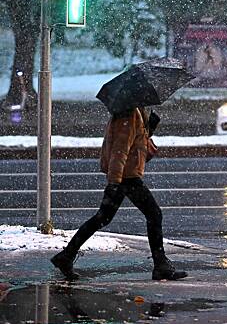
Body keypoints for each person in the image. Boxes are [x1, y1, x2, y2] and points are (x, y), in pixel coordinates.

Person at [51, 107, 187, 281]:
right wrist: (114, 182)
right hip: (126, 177)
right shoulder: (129, 114)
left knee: (102, 218)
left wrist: (148, 130)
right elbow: (119, 150)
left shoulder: (134, 113)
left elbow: (135, 148)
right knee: (154, 214)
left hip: (126, 176)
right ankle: (160, 265)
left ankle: (66, 256)